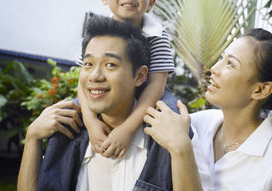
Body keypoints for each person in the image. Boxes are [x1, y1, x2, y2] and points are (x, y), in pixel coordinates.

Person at [144, 28, 272, 191]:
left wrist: (182, 150)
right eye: (222, 58)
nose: (214, 69)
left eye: (230, 64)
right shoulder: (194, 125)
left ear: (261, 90)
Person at [17, 15, 174, 191]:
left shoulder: (170, 144)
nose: (95, 76)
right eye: (88, 64)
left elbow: (157, 85)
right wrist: (32, 138)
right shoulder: (67, 134)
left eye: (110, 65)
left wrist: (181, 150)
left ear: (139, 76)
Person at [77, 0, 179, 158]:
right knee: (66, 114)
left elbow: (157, 84)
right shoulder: (97, 34)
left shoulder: (157, 34)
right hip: (104, 88)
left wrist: (127, 129)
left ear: (151, 2)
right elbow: (83, 81)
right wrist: (91, 123)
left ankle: (154, 182)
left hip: (149, 92)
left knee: (173, 119)